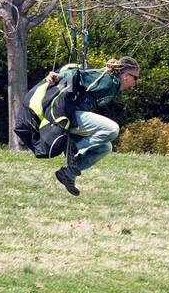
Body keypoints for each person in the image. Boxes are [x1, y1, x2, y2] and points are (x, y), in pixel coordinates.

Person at [53, 56, 140, 196]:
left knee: (106, 147)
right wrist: (59, 77)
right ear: (125, 75)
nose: (135, 83)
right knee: (112, 129)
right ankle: (77, 150)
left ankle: (68, 174)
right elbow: (77, 75)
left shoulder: (113, 86)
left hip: (78, 119)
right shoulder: (107, 80)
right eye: (135, 78)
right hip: (71, 116)